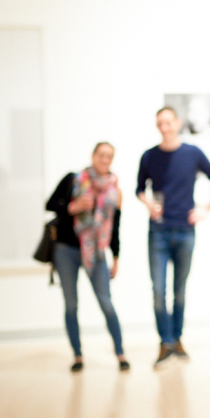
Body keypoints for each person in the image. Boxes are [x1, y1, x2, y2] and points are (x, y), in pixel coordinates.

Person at [136, 106, 210, 368]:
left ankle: (177, 339)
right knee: (158, 292)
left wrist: (204, 210)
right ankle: (165, 343)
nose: (164, 127)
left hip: (185, 232)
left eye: (168, 122)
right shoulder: (149, 156)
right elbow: (139, 189)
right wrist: (149, 205)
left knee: (179, 292)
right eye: (160, 123)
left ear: (177, 123)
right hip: (158, 232)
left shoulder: (192, 153)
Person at [45, 143, 129, 372]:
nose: (104, 160)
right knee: (71, 305)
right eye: (101, 155)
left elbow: (115, 227)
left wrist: (116, 257)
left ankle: (120, 353)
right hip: (67, 250)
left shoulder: (115, 191)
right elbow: (50, 204)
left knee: (106, 303)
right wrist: (72, 207)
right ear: (93, 156)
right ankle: (77, 355)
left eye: (109, 156)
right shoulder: (74, 180)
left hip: (97, 252)